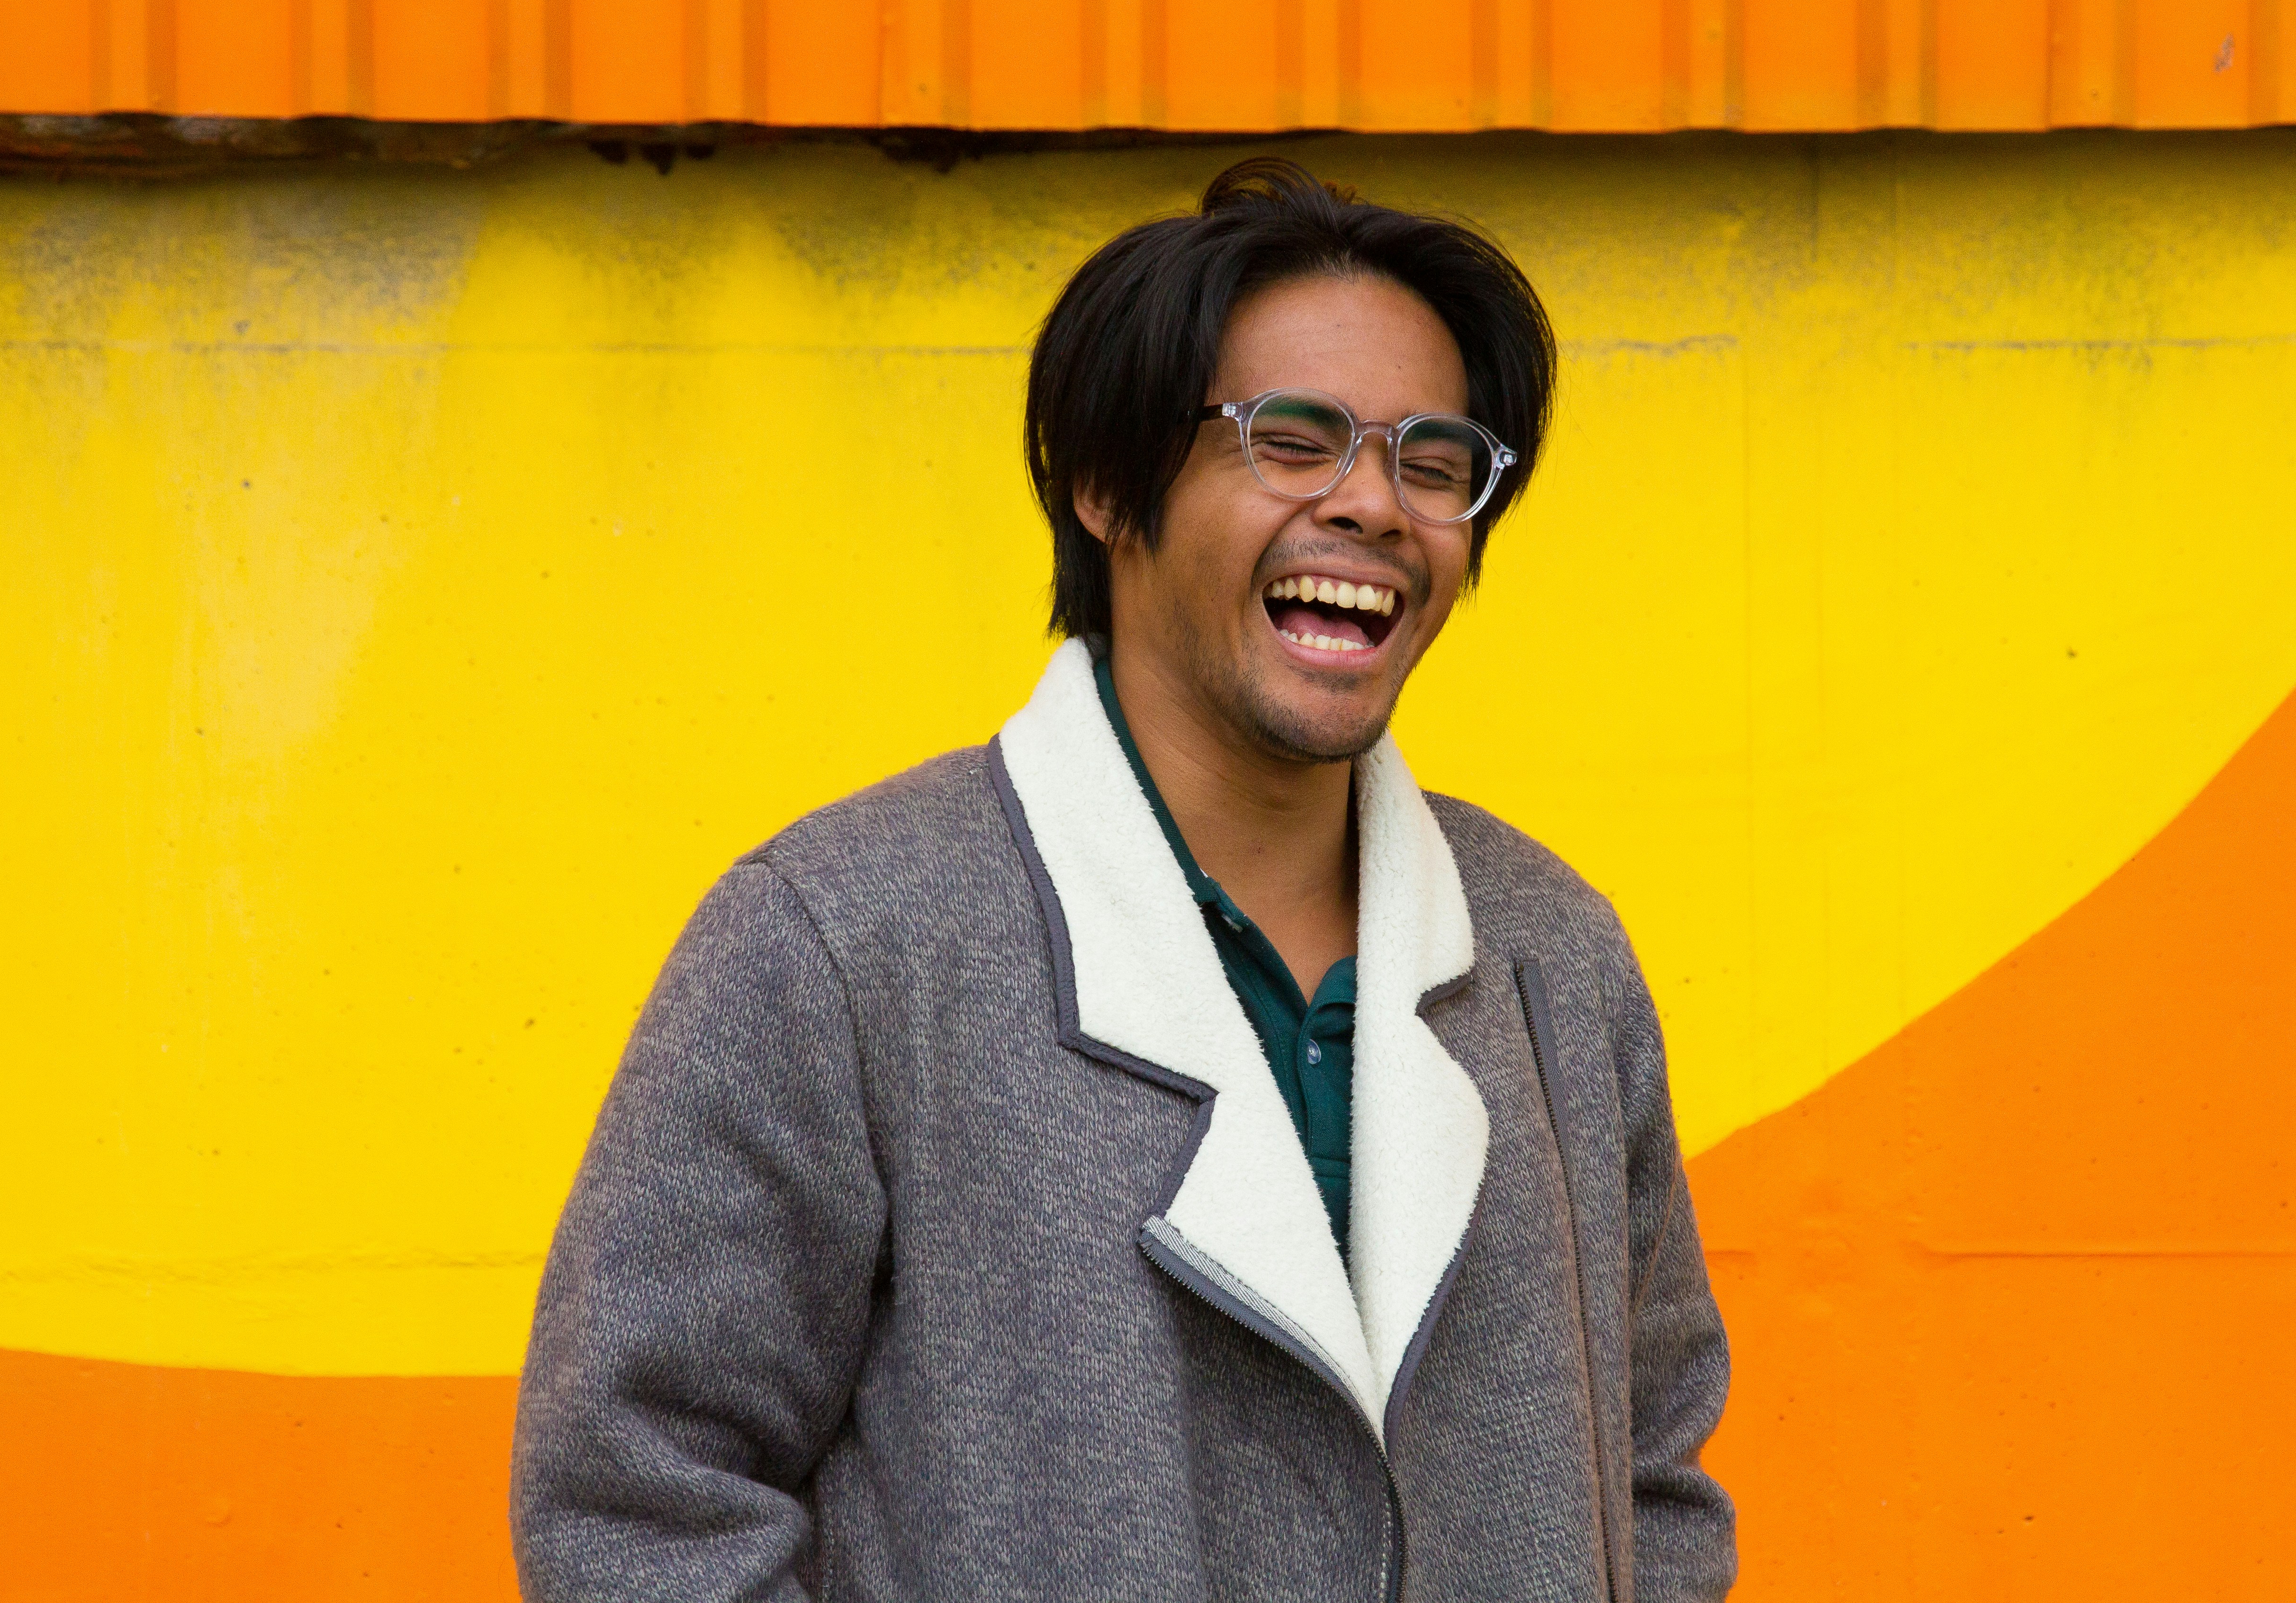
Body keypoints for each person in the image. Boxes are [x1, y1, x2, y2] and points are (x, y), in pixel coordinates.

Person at [511, 158, 1735, 1602]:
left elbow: (1652, 1480)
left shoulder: (1551, 959)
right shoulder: (842, 945)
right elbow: (637, 1504)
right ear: (1103, 484)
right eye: (1293, 438)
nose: (1375, 508)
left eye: (1434, 459)